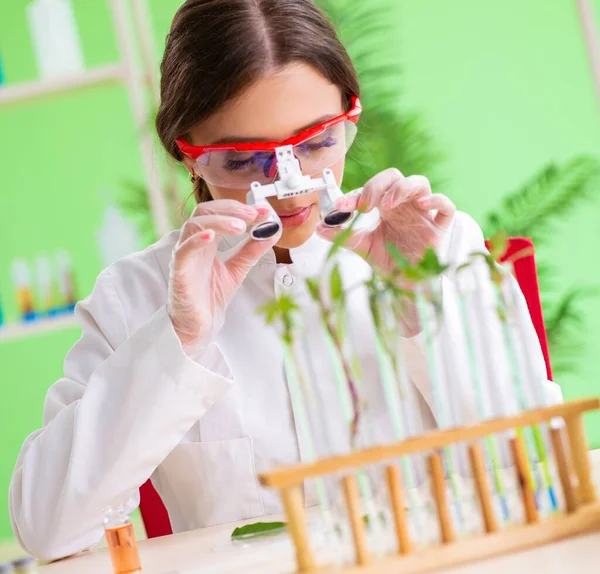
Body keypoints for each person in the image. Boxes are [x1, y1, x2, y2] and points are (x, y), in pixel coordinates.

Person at [9, 0, 561, 561]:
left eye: (317, 143)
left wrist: (424, 298)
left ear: (351, 116)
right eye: (243, 161)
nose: (291, 188)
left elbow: (538, 468)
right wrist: (179, 342)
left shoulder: (435, 243)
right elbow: (48, 530)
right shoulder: (136, 298)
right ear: (188, 156)